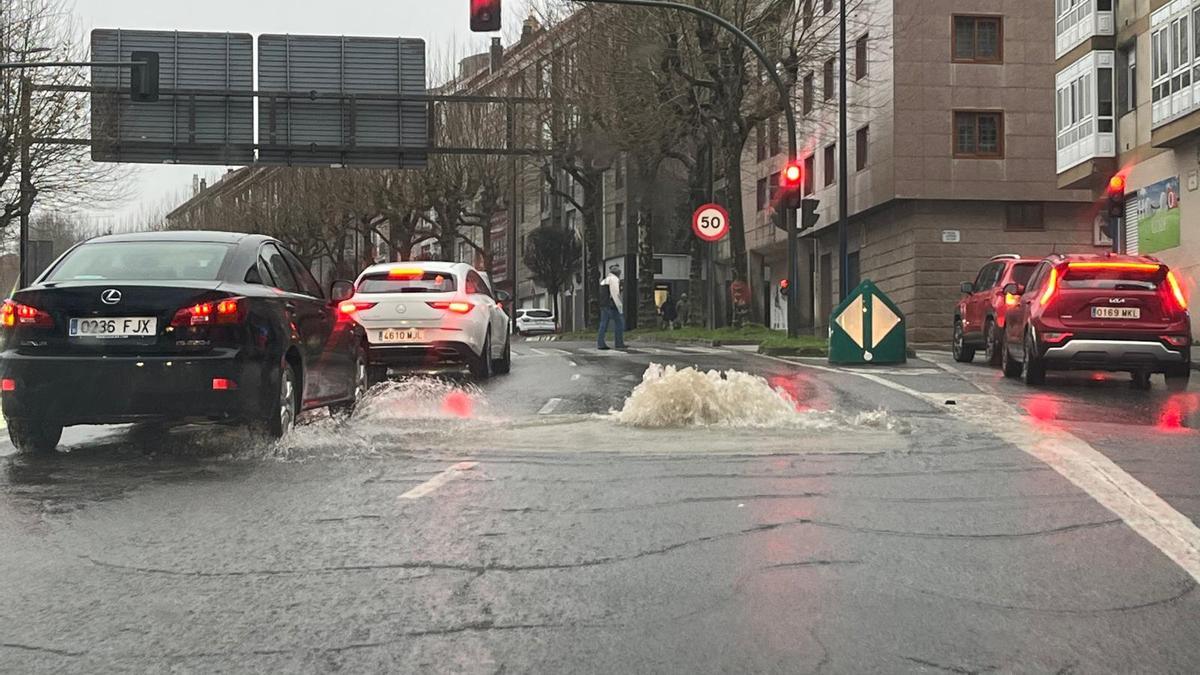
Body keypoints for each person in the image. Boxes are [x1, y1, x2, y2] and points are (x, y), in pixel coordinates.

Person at [597, 265, 627, 350]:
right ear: (618, 273)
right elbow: (615, 294)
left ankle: (601, 343)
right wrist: (620, 307)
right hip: (611, 305)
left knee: (603, 324)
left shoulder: (605, 280)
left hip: (604, 304)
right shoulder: (614, 280)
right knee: (619, 323)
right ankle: (619, 342)